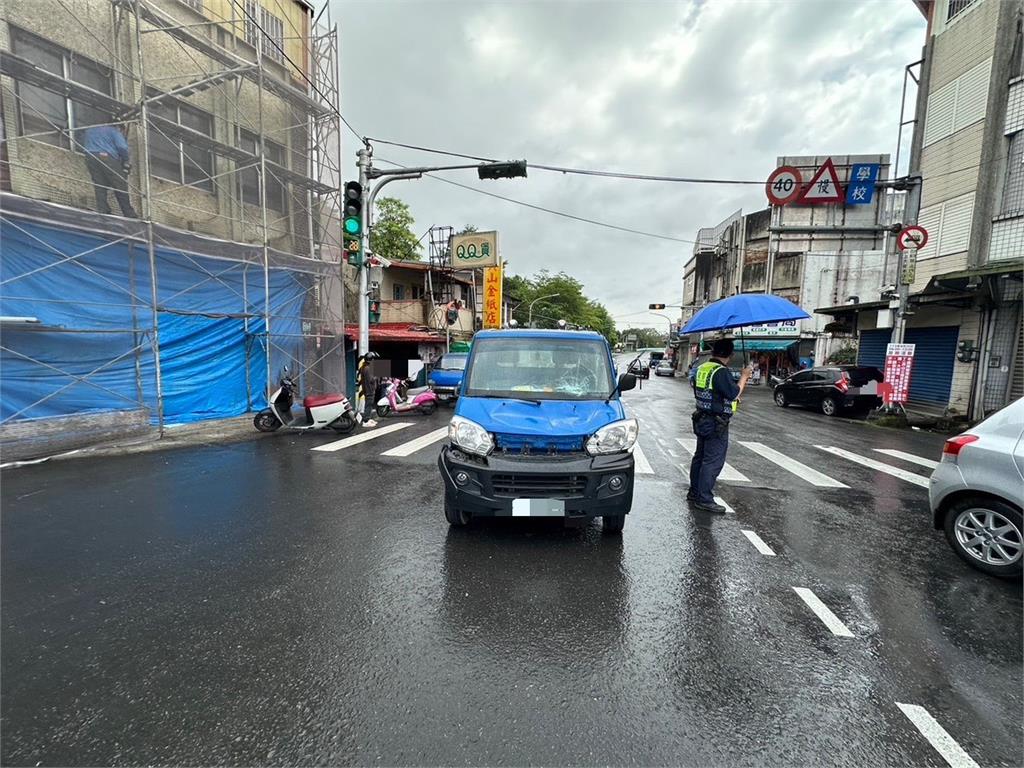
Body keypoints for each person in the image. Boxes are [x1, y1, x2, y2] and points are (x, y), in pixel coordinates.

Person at [688, 338, 750, 513]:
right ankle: (705, 499)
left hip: (701, 418)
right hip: (716, 422)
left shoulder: (702, 368)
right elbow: (732, 393)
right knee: (712, 461)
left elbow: (704, 390)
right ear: (729, 355)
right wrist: (744, 377)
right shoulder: (720, 371)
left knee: (700, 457)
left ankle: (694, 492)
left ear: (714, 352)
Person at [81, 124, 137, 217]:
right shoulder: (114, 131)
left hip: (90, 157)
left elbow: (82, 140)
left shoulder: (90, 130)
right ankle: (129, 213)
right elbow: (122, 147)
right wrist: (126, 160)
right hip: (106, 157)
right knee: (120, 184)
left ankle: (103, 209)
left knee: (100, 184)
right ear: (119, 127)